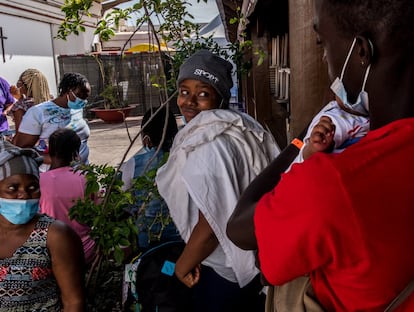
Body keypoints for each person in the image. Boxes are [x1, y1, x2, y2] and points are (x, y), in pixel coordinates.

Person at [228, 0, 414, 311]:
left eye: (323, 43)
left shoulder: (333, 183)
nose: (325, 58)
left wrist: (302, 140)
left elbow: (239, 228)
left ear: (361, 53)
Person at [155, 49, 280, 312]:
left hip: (224, 269)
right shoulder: (242, 126)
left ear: (220, 98)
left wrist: (182, 266)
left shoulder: (210, 144)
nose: (189, 101)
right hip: (256, 261)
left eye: (202, 94)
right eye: (184, 91)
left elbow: (211, 226)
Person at [0, 140, 85, 311]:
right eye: (13, 188)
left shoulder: (56, 235)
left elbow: (73, 302)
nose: (24, 195)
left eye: (32, 187)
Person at [120, 106, 180, 250]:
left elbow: (125, 202)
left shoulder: (133, 164)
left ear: (146, 137)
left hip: (146, 239)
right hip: (181, 237)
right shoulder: (183, 158)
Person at [13, 72, 91, 172]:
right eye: (81, 96)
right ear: (68, 91)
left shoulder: (77, 109)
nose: (83, 100)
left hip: (82, 173)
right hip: (53, 176)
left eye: (86, 97)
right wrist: (53, 160)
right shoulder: (37, 113)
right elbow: (23, 148)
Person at [39, 128, 96, 264]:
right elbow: (97, 212)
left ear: (50, 150)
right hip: (86, 250)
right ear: (76, 152)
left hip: (52, 252)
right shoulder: (86, 178)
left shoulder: (39, 181)